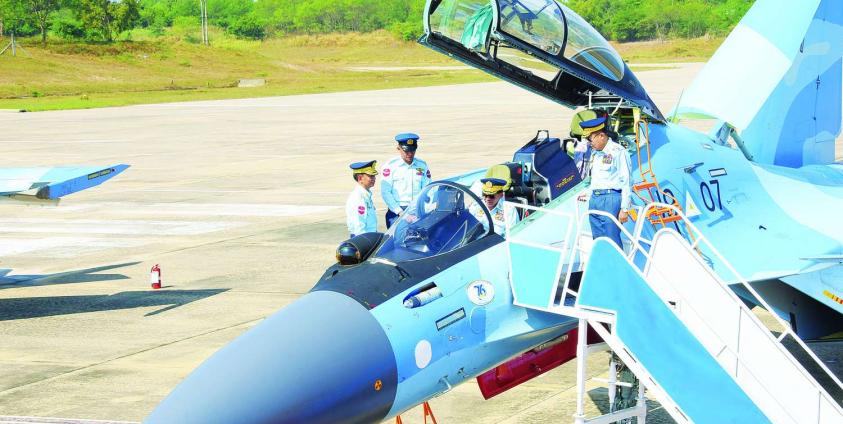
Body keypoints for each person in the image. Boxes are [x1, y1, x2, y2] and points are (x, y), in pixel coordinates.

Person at [577, 116, 632, 247]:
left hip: (610, 199)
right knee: (598, 241)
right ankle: (601, 260)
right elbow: (598, 179)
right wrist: (588, 192)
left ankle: (617, 261)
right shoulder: (596, 154)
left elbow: (627, 180)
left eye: (590, 139)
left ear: (601, 136)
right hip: (595, 200)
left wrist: (625, 208)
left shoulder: (618, 152)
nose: (590, 143)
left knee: (611, 239)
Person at [381, 132, 432, 228]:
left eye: (412, 150)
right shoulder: (391, 166)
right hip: (397, 211)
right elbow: (386, 192)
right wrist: (400, 212)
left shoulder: (422, 165)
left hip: (417, 209)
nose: (410, 154)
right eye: (406, 151)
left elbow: (427, 189)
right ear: (399, 148)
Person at [346, 160, 378, 237]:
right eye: (371, 176)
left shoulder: (366, 194)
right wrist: (364, 241)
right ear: (360, 178)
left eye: (374, 176)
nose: (374, 179)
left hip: (369, 235)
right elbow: (359, 223)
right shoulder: (358, 197)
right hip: (362, 237)